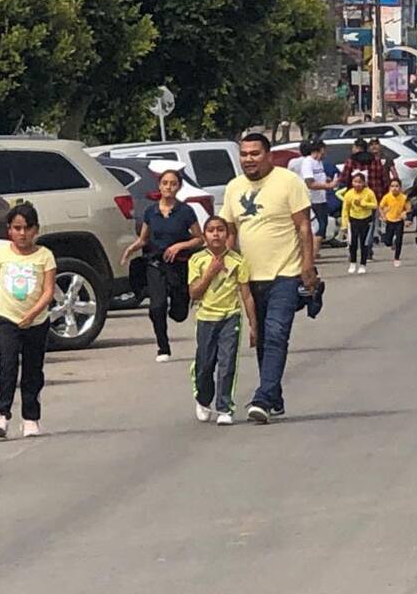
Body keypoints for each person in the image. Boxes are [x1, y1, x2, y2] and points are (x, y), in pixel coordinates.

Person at [221, 133, 317, 424]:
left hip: (285, 274)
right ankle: (274, 396)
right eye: (244, 154)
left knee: (276, 333)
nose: (249, 159)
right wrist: (226, 267)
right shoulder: (234, 188)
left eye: (255, 153)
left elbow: (303, 226)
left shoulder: (288, 182)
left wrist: (308, 266)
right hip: (250, 277)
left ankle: (262, 397)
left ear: (269, 155)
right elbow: (229, 232)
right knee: (261, 337)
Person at [0, 202, 57, 440]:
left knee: (32, 370)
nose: (22, 234)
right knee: (6, 366)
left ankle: (30, 418)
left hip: (36, 322)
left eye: (27, 228)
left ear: (36, 230)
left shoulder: (44, 256)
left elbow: (48, 292)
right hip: (7, 319)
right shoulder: (0, 254)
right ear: (9, 230)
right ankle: (1, 415)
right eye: (17, 228)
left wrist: (33, 314)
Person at [121, 169, 204, 362]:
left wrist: (180, 246)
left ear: (178, 187)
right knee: (156, 307)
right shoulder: (151, 211)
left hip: (179, 265)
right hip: (156, 263)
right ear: (159, 185)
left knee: (179, 313)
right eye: (165, 183)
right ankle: (163, 347)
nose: (168, 187)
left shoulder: (185, 211)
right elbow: (144, 239)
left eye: (173, 183)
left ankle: (177, 308)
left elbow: (199, 239)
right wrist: (129, 250)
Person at [188, 216, 256, 426]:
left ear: (227, 234)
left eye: (220, 230)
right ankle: (202, 398)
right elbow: (194, 292)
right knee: (205, 364)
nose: (216, 234)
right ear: (205, 235)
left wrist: (253, 324)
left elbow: (246, 295)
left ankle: (225, 407)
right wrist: (209, 273)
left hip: (230, 317)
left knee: (227, 363)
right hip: (206, 318)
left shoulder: (237, 261)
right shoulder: (197, 260)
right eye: (211, 230)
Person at [296, 141, 335, 260]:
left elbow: (318, 178)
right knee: (318, 227)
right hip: (311, 200)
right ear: (319, 150)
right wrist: (328, 186)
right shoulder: (308, 162)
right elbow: (309, 183)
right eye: (324, 150)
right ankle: (310, 256)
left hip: (321, 199)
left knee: (322, 226)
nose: (325, 154)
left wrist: (326, 181)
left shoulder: (319, 163)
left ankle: (314, 254)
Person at [341, 172, 378, 274]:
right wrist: (344, 224)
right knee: (352, 243)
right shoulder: (349, 194)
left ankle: (363, 264)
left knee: (364, 243)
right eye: (355, 182)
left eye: (360, 182)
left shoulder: (369, 192)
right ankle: (352, 263)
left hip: (366, 220)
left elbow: (375, 205)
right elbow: (345, 209)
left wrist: (363, 204)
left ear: (364, 183)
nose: (357, 184)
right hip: (353, 220)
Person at [379, 178, 409, 267]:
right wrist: (383, 216)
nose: (394, 188)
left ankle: (397, 258)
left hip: (399, 220)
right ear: (389, 188)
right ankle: (391, 241)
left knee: (399, 239)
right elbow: (380, 207)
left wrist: (405, 214)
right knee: (387, 241)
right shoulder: (387, 197)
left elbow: (408, 208)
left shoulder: (404, 197)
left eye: (396, 186)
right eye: (392, 186)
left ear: (400, 187)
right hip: (389, 220)